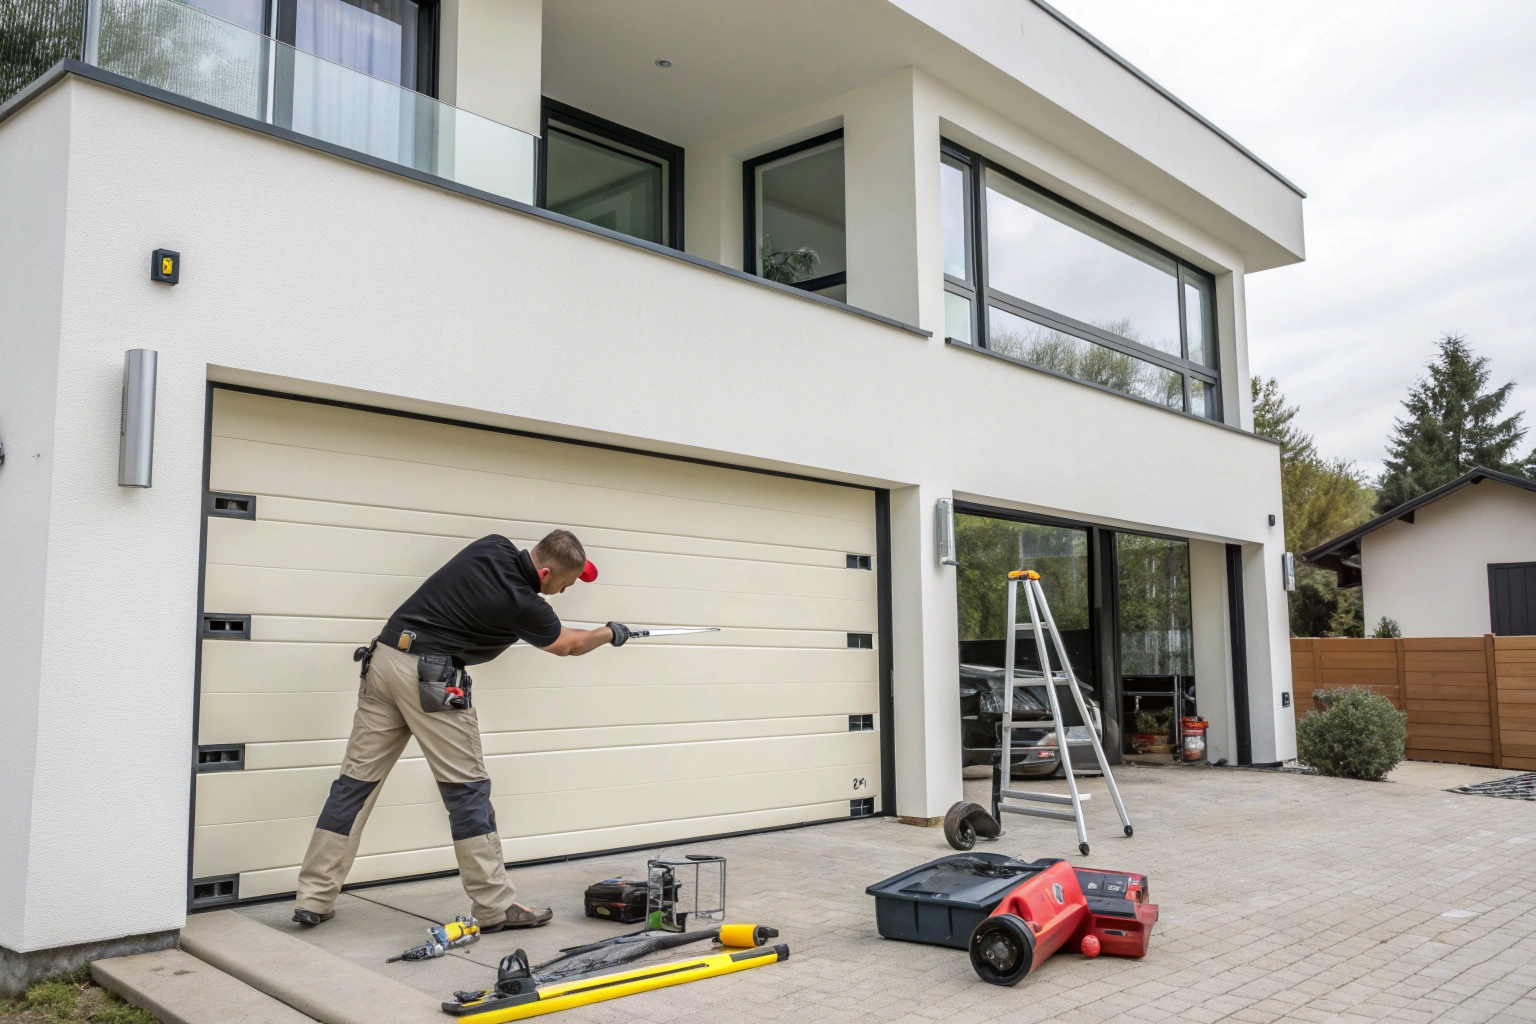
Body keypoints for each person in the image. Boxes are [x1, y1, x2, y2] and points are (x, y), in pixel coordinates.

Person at [291, 529, 632, 930]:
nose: (563, 591)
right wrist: (608, 633)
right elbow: (567, 644)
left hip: (383, 658)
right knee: (466, 790)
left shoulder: (492, 546)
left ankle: (314, 897)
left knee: (355, 783)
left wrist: (572, 581)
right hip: (431, 676)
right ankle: (493, 907)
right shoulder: (523, 603)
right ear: (544, 572)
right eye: (565, 582)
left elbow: (538, 581)